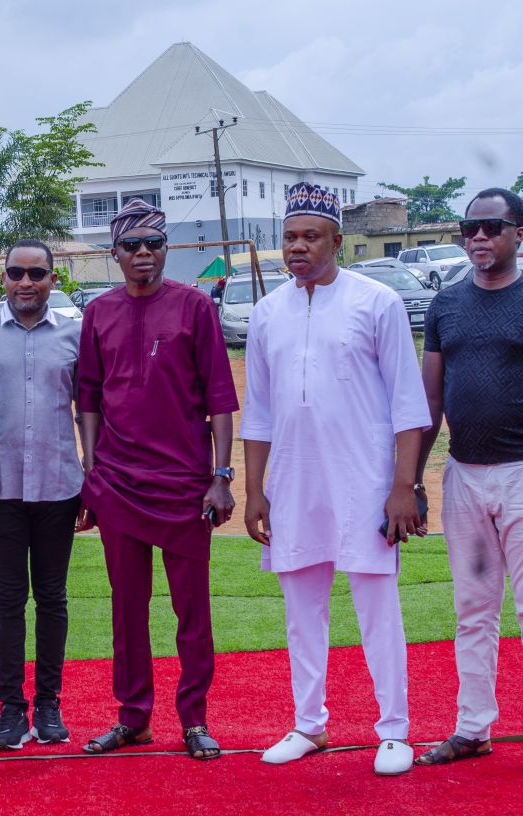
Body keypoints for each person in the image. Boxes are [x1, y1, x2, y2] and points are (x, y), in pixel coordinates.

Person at [241, 182, 430, 776]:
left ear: (337, 242)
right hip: (294, 483)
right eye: (290, 237)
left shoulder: (377, 302)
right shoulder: (268, 312)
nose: (298, 246)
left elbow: (408, 404)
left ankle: (394, 730)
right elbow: (259, 413)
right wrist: (255, 491)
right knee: (301, 612)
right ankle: (309, 724)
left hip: (364, 482)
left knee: (378, 608)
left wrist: (402, 487)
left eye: (310, 236)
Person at [76, 199, 239, 761]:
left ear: (167, 249)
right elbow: (88, 397)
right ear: (115, 253)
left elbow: (220, 397)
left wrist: (221, 476)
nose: (143, 253)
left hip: (185, 484)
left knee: (192, 610)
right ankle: (133, 718)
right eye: (132, 245)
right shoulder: (98, 312)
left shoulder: (195, 307)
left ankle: (194, 719)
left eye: (154, 243)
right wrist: (92, 472)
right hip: (118, 483)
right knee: (128, 609)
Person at [413, 188, 523, 766]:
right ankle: (473, 728)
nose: (478, 236)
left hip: (521, 475)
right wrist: (410, 480)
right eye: (469, 228)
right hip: (464, 477)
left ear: (518, 234)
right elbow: (430, 401)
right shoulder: (447, 303)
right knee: (473, 610)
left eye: (492, 227)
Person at [0, 239, 82, 750]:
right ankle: (11, 709)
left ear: (53, 279)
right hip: (0, 489)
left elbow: (88, 411)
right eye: (16, 272)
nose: (26, 282)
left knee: (53, 598)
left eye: (37, 273)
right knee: (8, 600)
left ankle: (49, 705)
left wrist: (90, 478)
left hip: (59, 487)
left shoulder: (75, 335)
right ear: (4, 278)